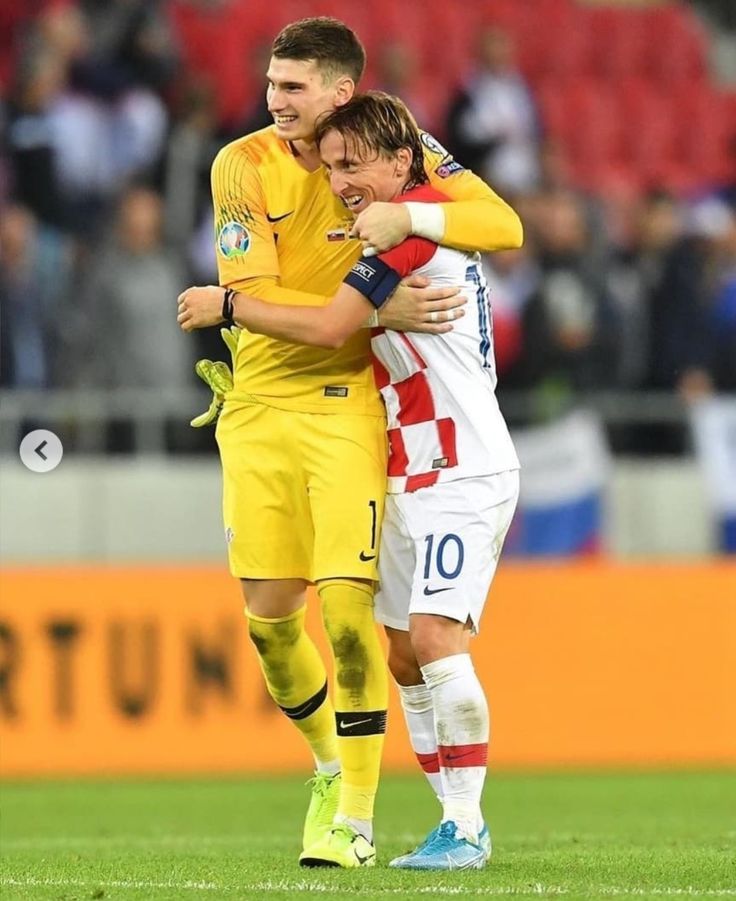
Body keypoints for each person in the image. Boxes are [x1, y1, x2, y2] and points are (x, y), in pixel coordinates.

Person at [179, 17, 523, 869]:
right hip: (371, 445)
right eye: (271, 85)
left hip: (435, 449)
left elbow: (503, 225)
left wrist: (225, 309)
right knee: (374, 641)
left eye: (294, 87)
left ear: (348, 100)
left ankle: (403, 818)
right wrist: (375, 301)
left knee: (404, 630)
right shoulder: (246, 167)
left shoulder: (403, 213)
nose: (337, 182)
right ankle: (421, 807)